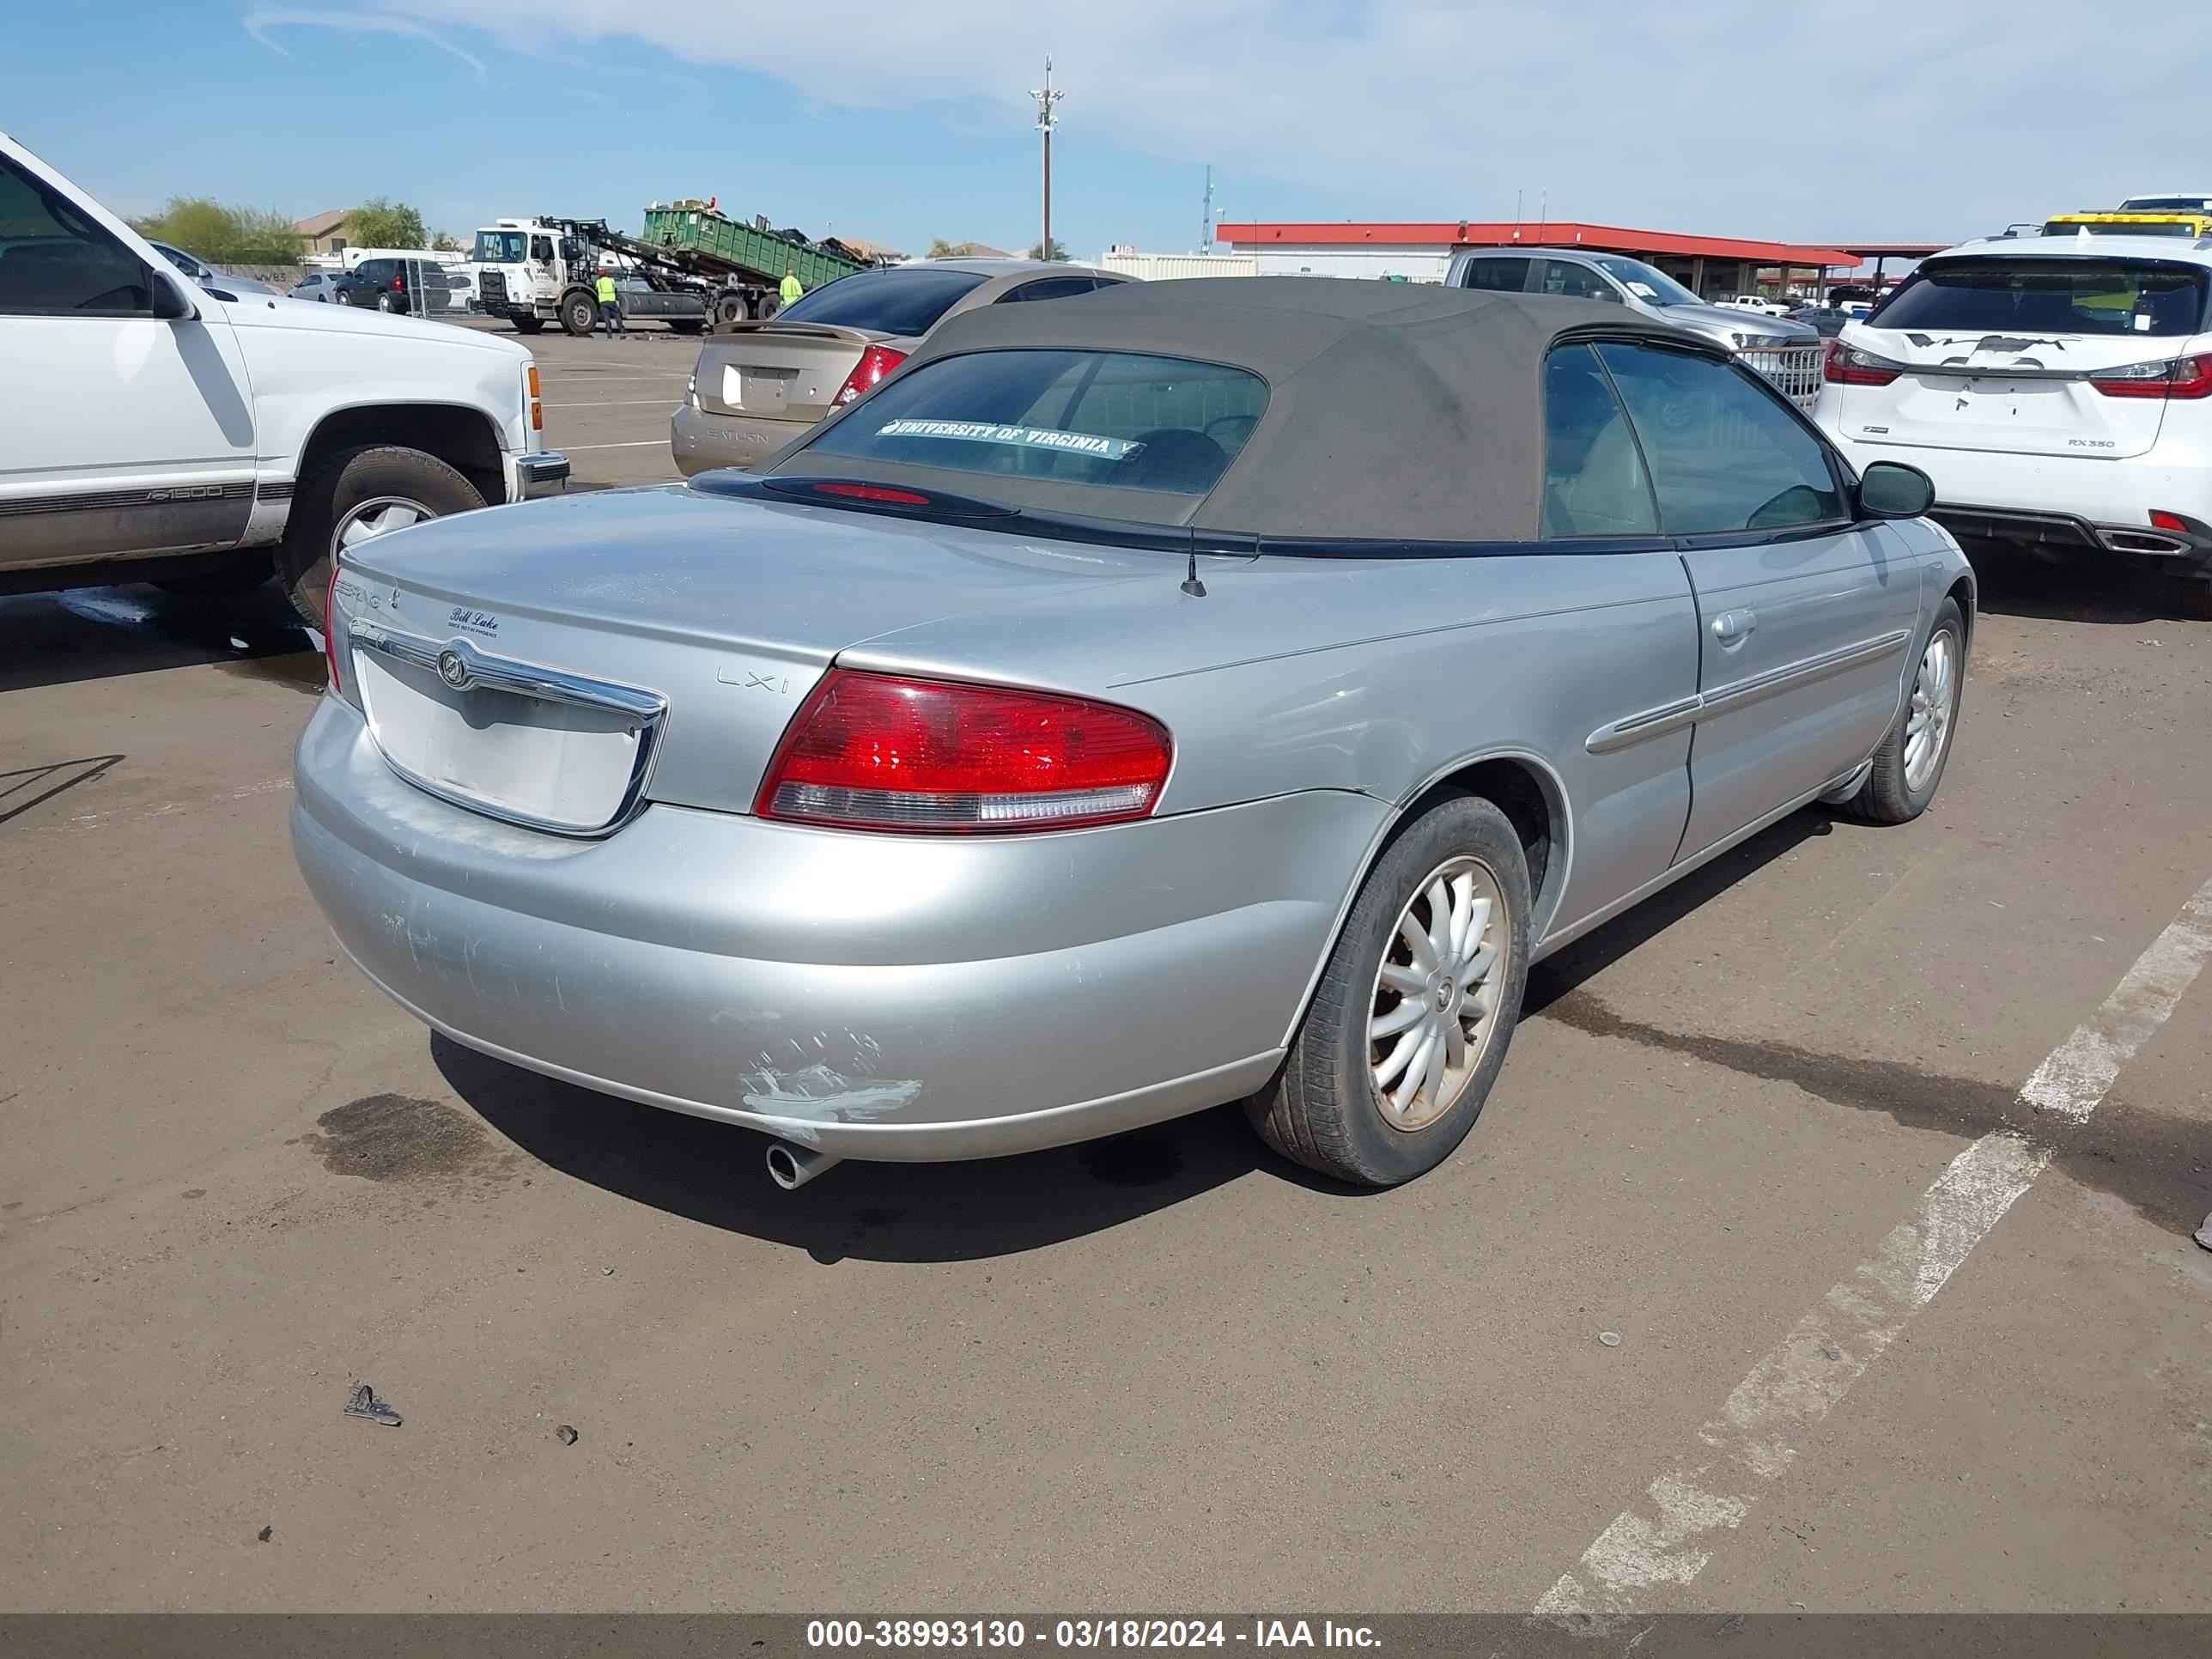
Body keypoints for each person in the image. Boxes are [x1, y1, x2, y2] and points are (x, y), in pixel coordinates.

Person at [594, 270, 626, 339]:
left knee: (606, 317)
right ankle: (621, 329)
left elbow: (596, 288)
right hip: (611, 300)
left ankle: (609, 332)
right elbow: (614, 287)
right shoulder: (611, 280)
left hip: (603, 301)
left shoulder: (598, 282)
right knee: (617, 315)